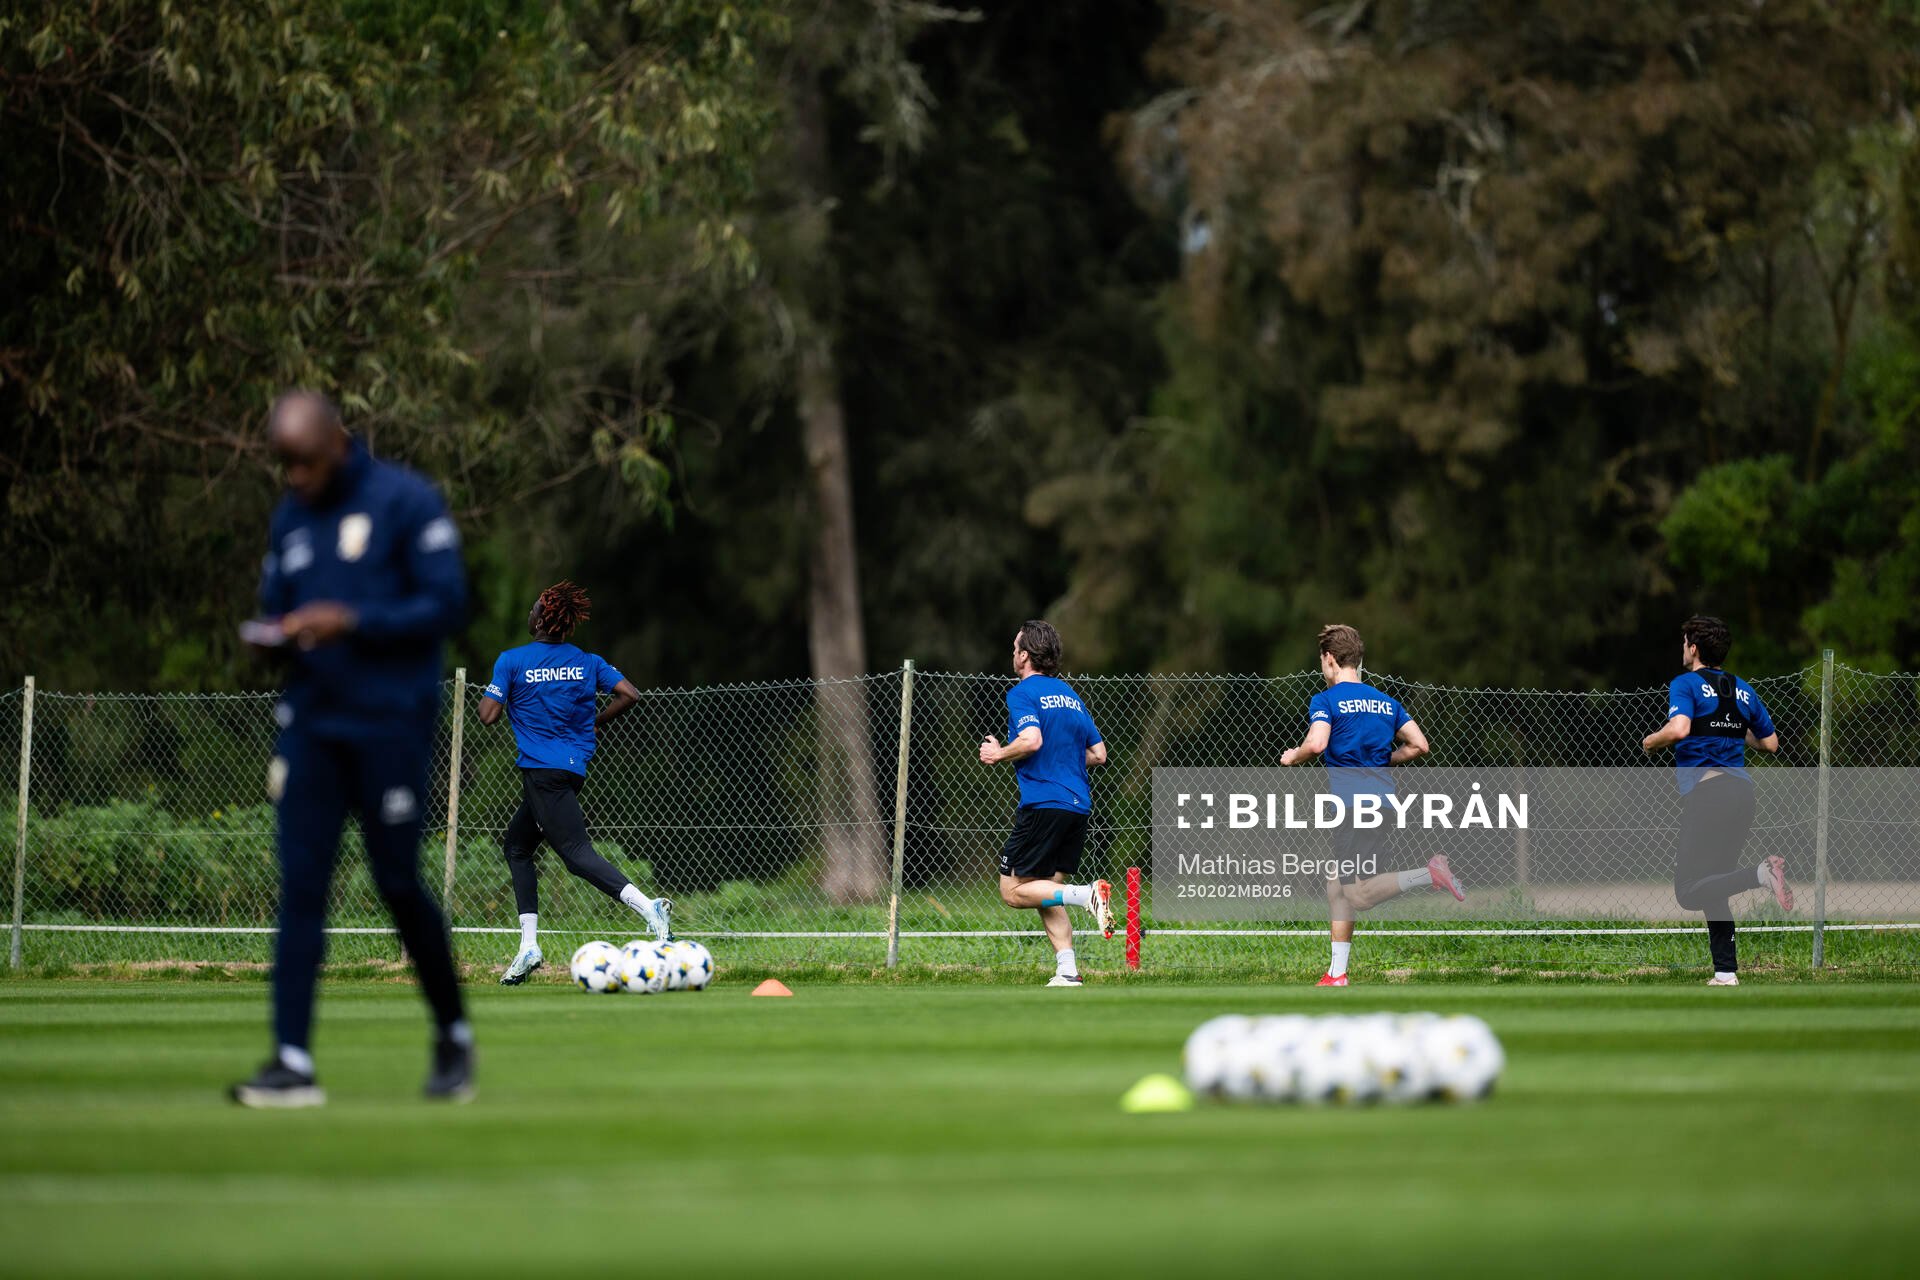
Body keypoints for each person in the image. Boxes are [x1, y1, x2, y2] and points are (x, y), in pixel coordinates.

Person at [231, 391, 473, 1108]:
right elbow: (278, 604)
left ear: (337, 441)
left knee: (397, 881)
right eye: (283, 464)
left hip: (391, 722)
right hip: (311, 724)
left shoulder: (407, 501)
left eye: (303, 461)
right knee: (301, 885)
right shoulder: (291, 518)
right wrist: (277, 634)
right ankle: (292, 1061)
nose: (294, 477)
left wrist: (353, 621)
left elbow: (448, 605)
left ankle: (454, 1033)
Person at [478, 581, 671, 984]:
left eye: (533, 610)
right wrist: (596, 720)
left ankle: (648, 907)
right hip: (571, 769)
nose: (530, 614)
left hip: (541, 772)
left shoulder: (513, 661)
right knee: (517, 846)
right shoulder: (587, 661)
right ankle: (528, 947)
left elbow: (488, 715)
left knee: (575, 854)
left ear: (540, 620)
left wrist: (502, 689)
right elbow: (630, 694)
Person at [1279, 624, 1464, 986]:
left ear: (1329, 659)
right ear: (1357, 660)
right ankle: (1337, 973)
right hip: (1381, 803)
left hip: (1352, 808)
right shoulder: (1385, 702)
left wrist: (1292, 757)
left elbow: (1316, 744)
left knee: (1358, 894)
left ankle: (1430, 873)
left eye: (1322, 660)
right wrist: (1384, 759)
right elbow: (1420, 745)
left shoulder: (1326, 700)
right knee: (1336, 885)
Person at [1640, 615, 1793, 985]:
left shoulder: (1686, 683)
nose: (1682, 648)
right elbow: (1770, 743)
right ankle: (1725, 972)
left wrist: (1650, 741)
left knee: (1688, 892)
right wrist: (1734, 733)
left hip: (1709, 795)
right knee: (1715, 883)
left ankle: (1761, 874)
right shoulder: (1741, 689)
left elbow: (1680, 729)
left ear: (1693, 647)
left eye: (1684, 642)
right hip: (1742, 794)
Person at [976, 620, 1114, 986]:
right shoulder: (1071, 696)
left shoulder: (1023, 692)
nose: (1013, 653)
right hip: (1077, 806)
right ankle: (1067, 970)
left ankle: (1086, 895)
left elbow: (1032, 740)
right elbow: (1098, 754)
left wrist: (998, 753)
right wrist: (1064, 757)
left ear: (1024, 655)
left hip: (1044, 803)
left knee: (1013, 890)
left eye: (1015, 648)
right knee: (1045, 891)